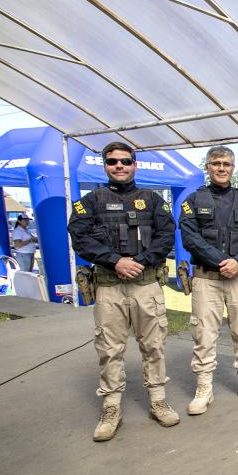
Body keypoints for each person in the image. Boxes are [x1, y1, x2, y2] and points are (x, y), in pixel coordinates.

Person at [67, 141, 179, 441]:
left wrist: (138, 262)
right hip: (109, 286)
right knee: (109, 349)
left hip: (146, 284)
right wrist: (116, 261)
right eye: (113, 161)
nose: (120, 166)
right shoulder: (90, 202)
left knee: (153, 344)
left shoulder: (153, 200)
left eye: (125, 161)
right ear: (104, 165)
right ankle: (111, 406)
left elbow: (167, 236)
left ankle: (157, 400)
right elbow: (79, 237)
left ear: (134, 164)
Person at [179, 146, 238, 415]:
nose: (221, 168)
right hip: (207, 279)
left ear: (233, 167)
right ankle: (204, 388)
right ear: (207, 167)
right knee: (204, 334)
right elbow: (189, 237)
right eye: (216, 163)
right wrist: (221, 261)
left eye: (226, 164)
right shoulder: (193, 200)